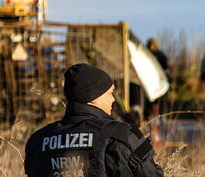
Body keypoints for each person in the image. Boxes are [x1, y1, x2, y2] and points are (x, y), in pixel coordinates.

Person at [24, 63, 163, 176]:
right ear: (94, 97)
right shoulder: (122, 135)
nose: (113, 99)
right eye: (110, 93)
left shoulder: (38, 141)